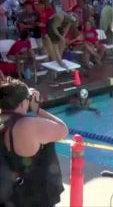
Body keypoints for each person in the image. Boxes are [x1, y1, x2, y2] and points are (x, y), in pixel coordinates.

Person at [0, 78, 68, 206]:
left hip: (8, 196)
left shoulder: (3, 122)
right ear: (22, 102)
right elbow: (63, 129)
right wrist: (37, 109)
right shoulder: (27, 125)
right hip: (34, 196)